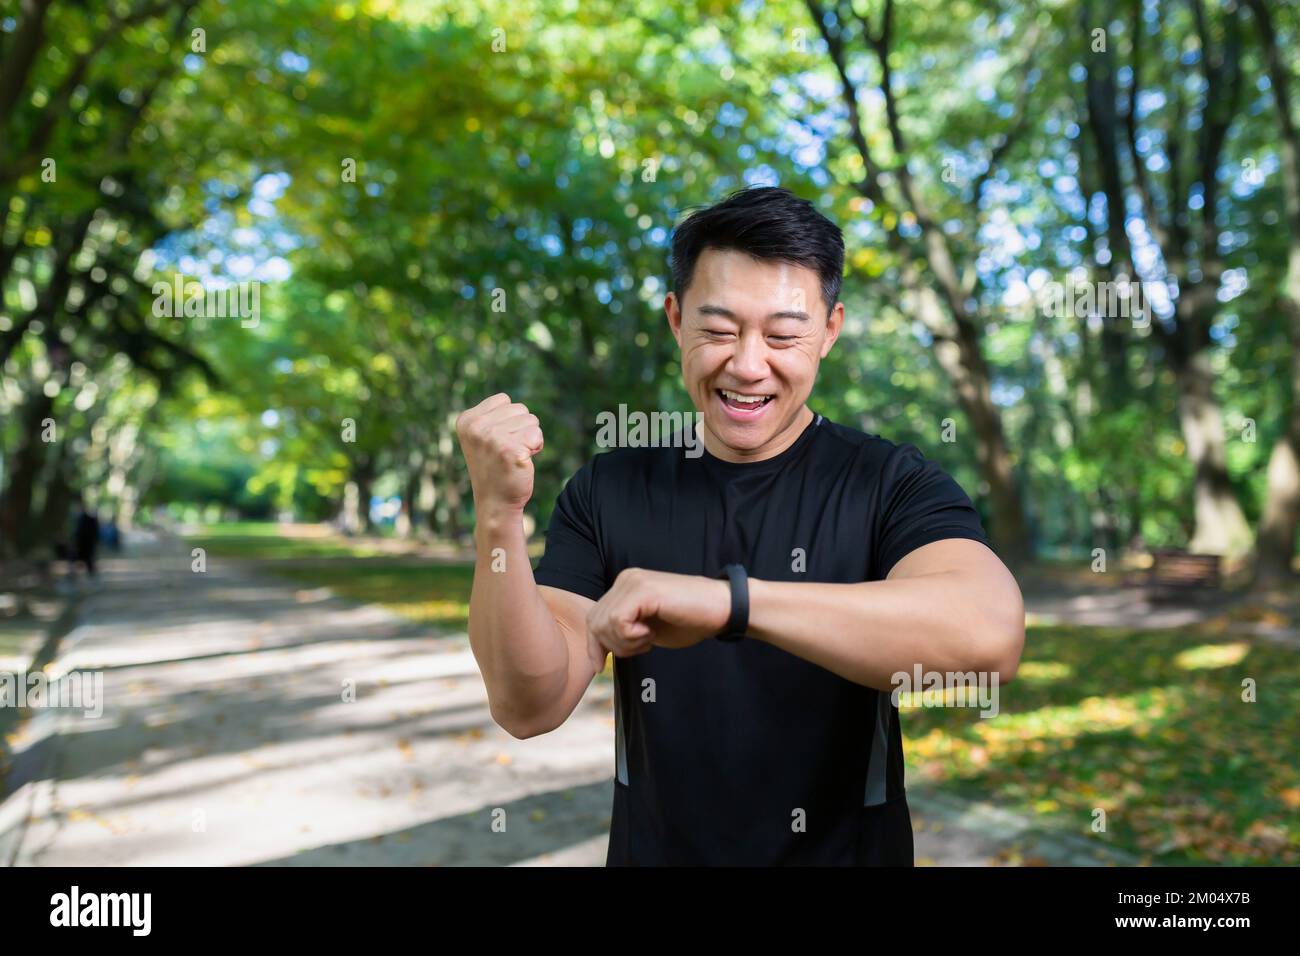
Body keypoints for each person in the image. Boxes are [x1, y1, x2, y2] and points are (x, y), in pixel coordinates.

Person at [455, 185, 1025, 866]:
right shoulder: (609, 490)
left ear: (830, 331)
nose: (748, 365)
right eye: (719, 330)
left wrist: (731, 602)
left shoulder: (890, 483)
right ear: (675, 320)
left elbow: (989, 636)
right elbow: (528, 705)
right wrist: (498, 517)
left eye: (784, 335)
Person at [73, 498, 101, 577]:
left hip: (87, 544)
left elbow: (94, 532)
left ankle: (92, 577)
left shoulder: (88, 519)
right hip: (82, 544)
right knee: (79, 561)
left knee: (88, 561)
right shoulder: (79, 518)